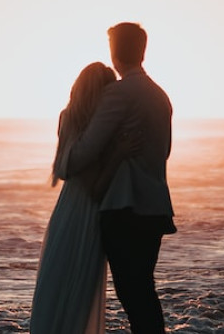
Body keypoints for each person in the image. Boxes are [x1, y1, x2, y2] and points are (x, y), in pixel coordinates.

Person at [66, 22, 176, 334]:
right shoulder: (160, 95)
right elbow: (164, 152)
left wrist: (70, 156)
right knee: (143, 290)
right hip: (155, 207)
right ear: (143, 51)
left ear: (114, 53)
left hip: (124, 208)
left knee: (132, 293)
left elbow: (84, 152)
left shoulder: (118, 94)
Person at [31, 61, 123, 334]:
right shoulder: (101, 130)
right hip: (90, 211)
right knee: (80, 284)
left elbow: (65, 170)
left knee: (57, 279)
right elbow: (93, 179)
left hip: (67, 207)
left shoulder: (67, 117)